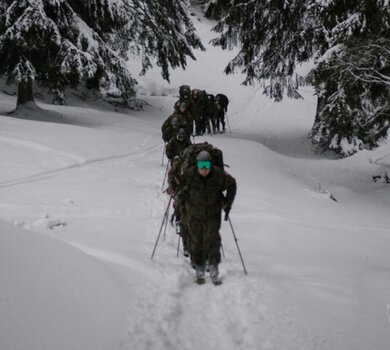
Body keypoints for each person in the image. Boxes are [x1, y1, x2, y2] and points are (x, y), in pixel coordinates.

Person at [180, 150, 237, 285]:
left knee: (212, 239)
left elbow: (232, 184)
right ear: (197, 165)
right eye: (201, 165)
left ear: (211, 164)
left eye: (206, 165)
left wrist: (227, 204)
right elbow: (179, 184)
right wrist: (181, 195)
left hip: (213, 213)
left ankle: (213, 266)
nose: (204, 169)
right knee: (196, 239)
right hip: (194, 213)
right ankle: (198, 266)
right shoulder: (190, 174)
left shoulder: (218, 175)